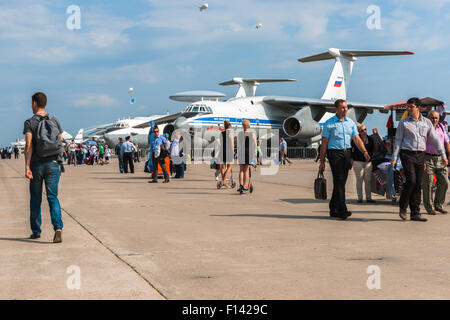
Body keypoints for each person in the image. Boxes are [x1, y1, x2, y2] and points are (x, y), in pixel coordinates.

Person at [391, 97, 448, 222]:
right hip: (407, 154)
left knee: (418, 184)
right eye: (408, 107)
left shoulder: (426, 123)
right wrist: (394, 158)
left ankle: (415, 213)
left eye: (411, 107)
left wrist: (443, 155)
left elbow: (436, 140)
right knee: (411, 180)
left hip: (421, 155)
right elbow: (398, 141)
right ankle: (403, 207)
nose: (409, 109)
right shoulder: (404, 123)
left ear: (418, 107)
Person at [319, 99, 370, 220]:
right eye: (342, 107)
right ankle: (343, 209)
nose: (345, 109)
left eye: (346, 107)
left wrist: (364, 152)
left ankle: (333, 208)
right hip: (334, 154)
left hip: (347, 154)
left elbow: (357, 139)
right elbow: (324, 144)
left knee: (340, 183)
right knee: (339, 181)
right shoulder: (329, 123)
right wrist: (322, 162)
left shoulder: (350, 123)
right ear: (336, 109)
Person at [23, 92, 63, 243]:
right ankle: (58, 228)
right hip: (53, 164)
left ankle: (36, 231)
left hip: (36, 165)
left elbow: (28, 145)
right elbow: (59, 142)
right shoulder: (55, 120)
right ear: (44, 104)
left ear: (34, 103)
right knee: (53, 197)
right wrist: (59, 163)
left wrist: (27, 166)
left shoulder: (29, 122)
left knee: (35, 199)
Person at [422, 110, 450, 215]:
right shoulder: (425, 129)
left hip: (440, 158)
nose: (434, 120)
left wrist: (449, 155)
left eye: (436, 118)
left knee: (445, 182)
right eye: (432, 117)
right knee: (428, 183)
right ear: (428, 118)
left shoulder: (442, 128)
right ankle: (430, 208)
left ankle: (438, 205)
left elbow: (446, 142)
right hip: (427, 158)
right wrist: (422, 160)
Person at [351, 124, 375, 203]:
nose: (364, 131)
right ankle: (360, 198)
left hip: (368, 163)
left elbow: (373, 150)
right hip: (358, 162)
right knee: (359, 180)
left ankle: (368, 198)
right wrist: (351, 159)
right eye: (362, 130)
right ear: (359, 132)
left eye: (365, 129)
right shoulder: (355, 139)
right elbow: (351, 149)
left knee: (368, 181)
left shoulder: (370, 139)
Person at [237, 120, 257, 192]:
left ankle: (241, 185)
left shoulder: (239, 133)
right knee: (246, 170)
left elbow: (238, 144)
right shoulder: (252, 133)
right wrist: (255, 153)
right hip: (249, 152)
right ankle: (245, 186)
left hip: (241, 152)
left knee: (241, 170)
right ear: (249, 125)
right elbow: (255, 144)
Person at [217, 121, 234, 187]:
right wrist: (233, 152)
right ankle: (223, 181)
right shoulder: (230, 133)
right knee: (229, 166)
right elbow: (232, 144)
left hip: (222, 150)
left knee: (223, 167)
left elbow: (221, 142)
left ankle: (224, 182)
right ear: (229, 126)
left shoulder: (221, 133)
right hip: (229, 151)